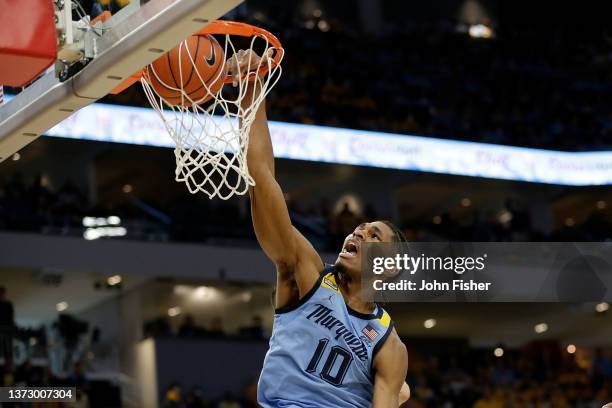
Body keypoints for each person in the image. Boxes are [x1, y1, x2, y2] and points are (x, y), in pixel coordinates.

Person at [227, 50, 410, 407]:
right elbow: (261, 178)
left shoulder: (388, 344)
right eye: (359, 228)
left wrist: (395, 390)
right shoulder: (307, 271)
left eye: (375, 236)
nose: (359, 233)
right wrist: (252, 87)